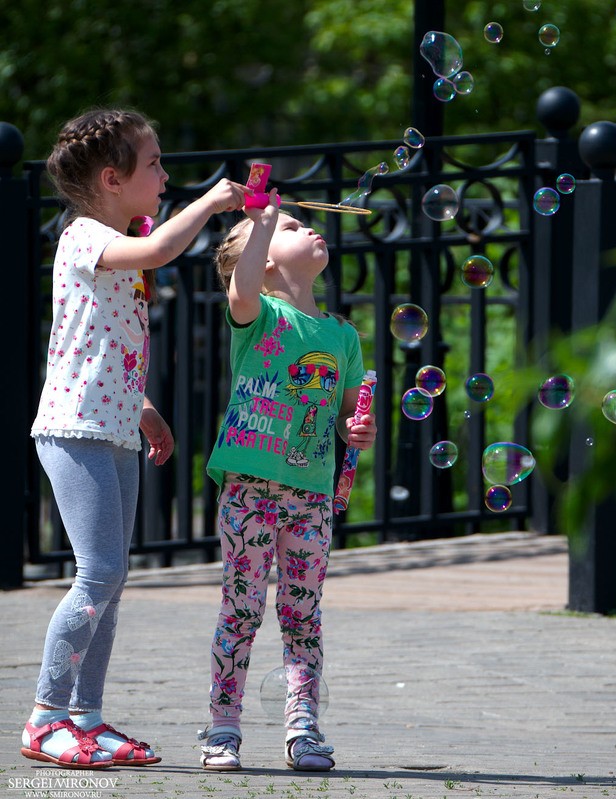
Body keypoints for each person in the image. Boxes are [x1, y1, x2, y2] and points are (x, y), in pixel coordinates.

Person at [23, 108, 250, 770]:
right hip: (74, 429)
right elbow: (157, 249)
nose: (164, 175)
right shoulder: (84, 237)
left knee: (112, 579)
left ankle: (86, 718)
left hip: (114, 424)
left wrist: (144, 407)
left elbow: (107, 345)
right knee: (97, 571)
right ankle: (45, 717)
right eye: (154, 163)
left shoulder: (117, 242)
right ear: (113, 177)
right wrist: (211, 200)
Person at [199, 189, 377, 772]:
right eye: (292, 226)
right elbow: (241, 288)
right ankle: (223, 725)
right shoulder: (260, 316)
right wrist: (263, 219)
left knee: (304, 611)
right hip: (249, 488)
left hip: (310, 495)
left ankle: (303, 727)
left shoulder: (342, 335)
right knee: (242, 608)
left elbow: (351, 413)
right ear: (266, 257)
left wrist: (360, 429)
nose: (310, 229)